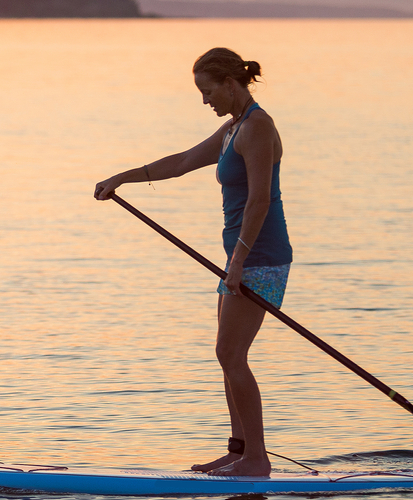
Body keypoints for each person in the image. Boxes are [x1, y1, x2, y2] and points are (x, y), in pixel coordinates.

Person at [93, 47, 292, 477]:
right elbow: (181, 162)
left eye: (208, 91)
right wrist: (121, 177)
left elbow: (260, 199)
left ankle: (257, 459)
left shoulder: (258, 127)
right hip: (239, 257)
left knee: (230, 352)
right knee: (227, 355)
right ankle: (239, 451)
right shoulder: (232, 129)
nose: (205, 100)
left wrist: (238, 260)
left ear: (229, 84)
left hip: (260, 256)